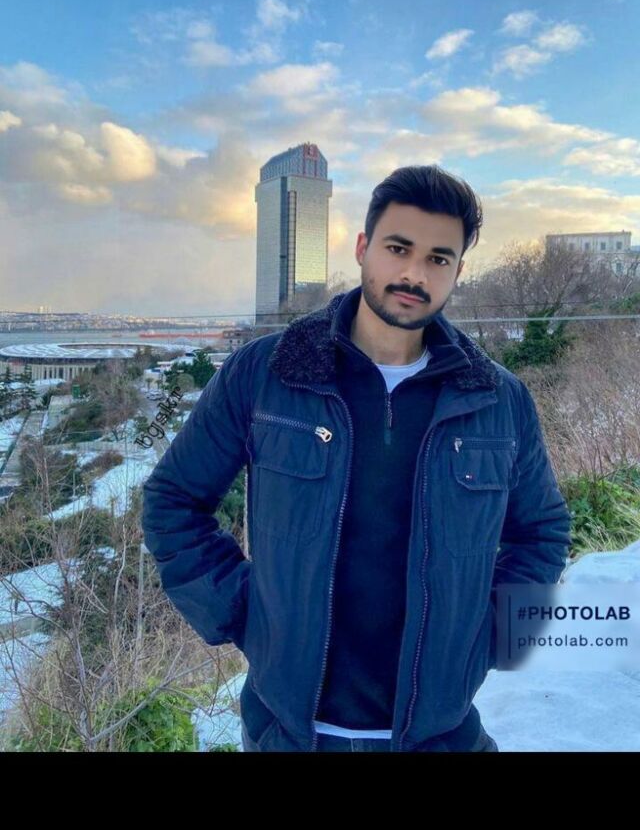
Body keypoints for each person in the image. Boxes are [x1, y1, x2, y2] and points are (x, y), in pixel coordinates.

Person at [142, 164, 572, 752]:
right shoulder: (267, 373)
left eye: (438, 258)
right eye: (399, 248)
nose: (414, 273)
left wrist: (490, 639)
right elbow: (174, 500)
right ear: (364, 247)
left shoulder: (498, 399)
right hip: (291, 732)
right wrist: (243, 615)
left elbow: (543, 531)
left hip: (440, 733)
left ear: (457, 272)